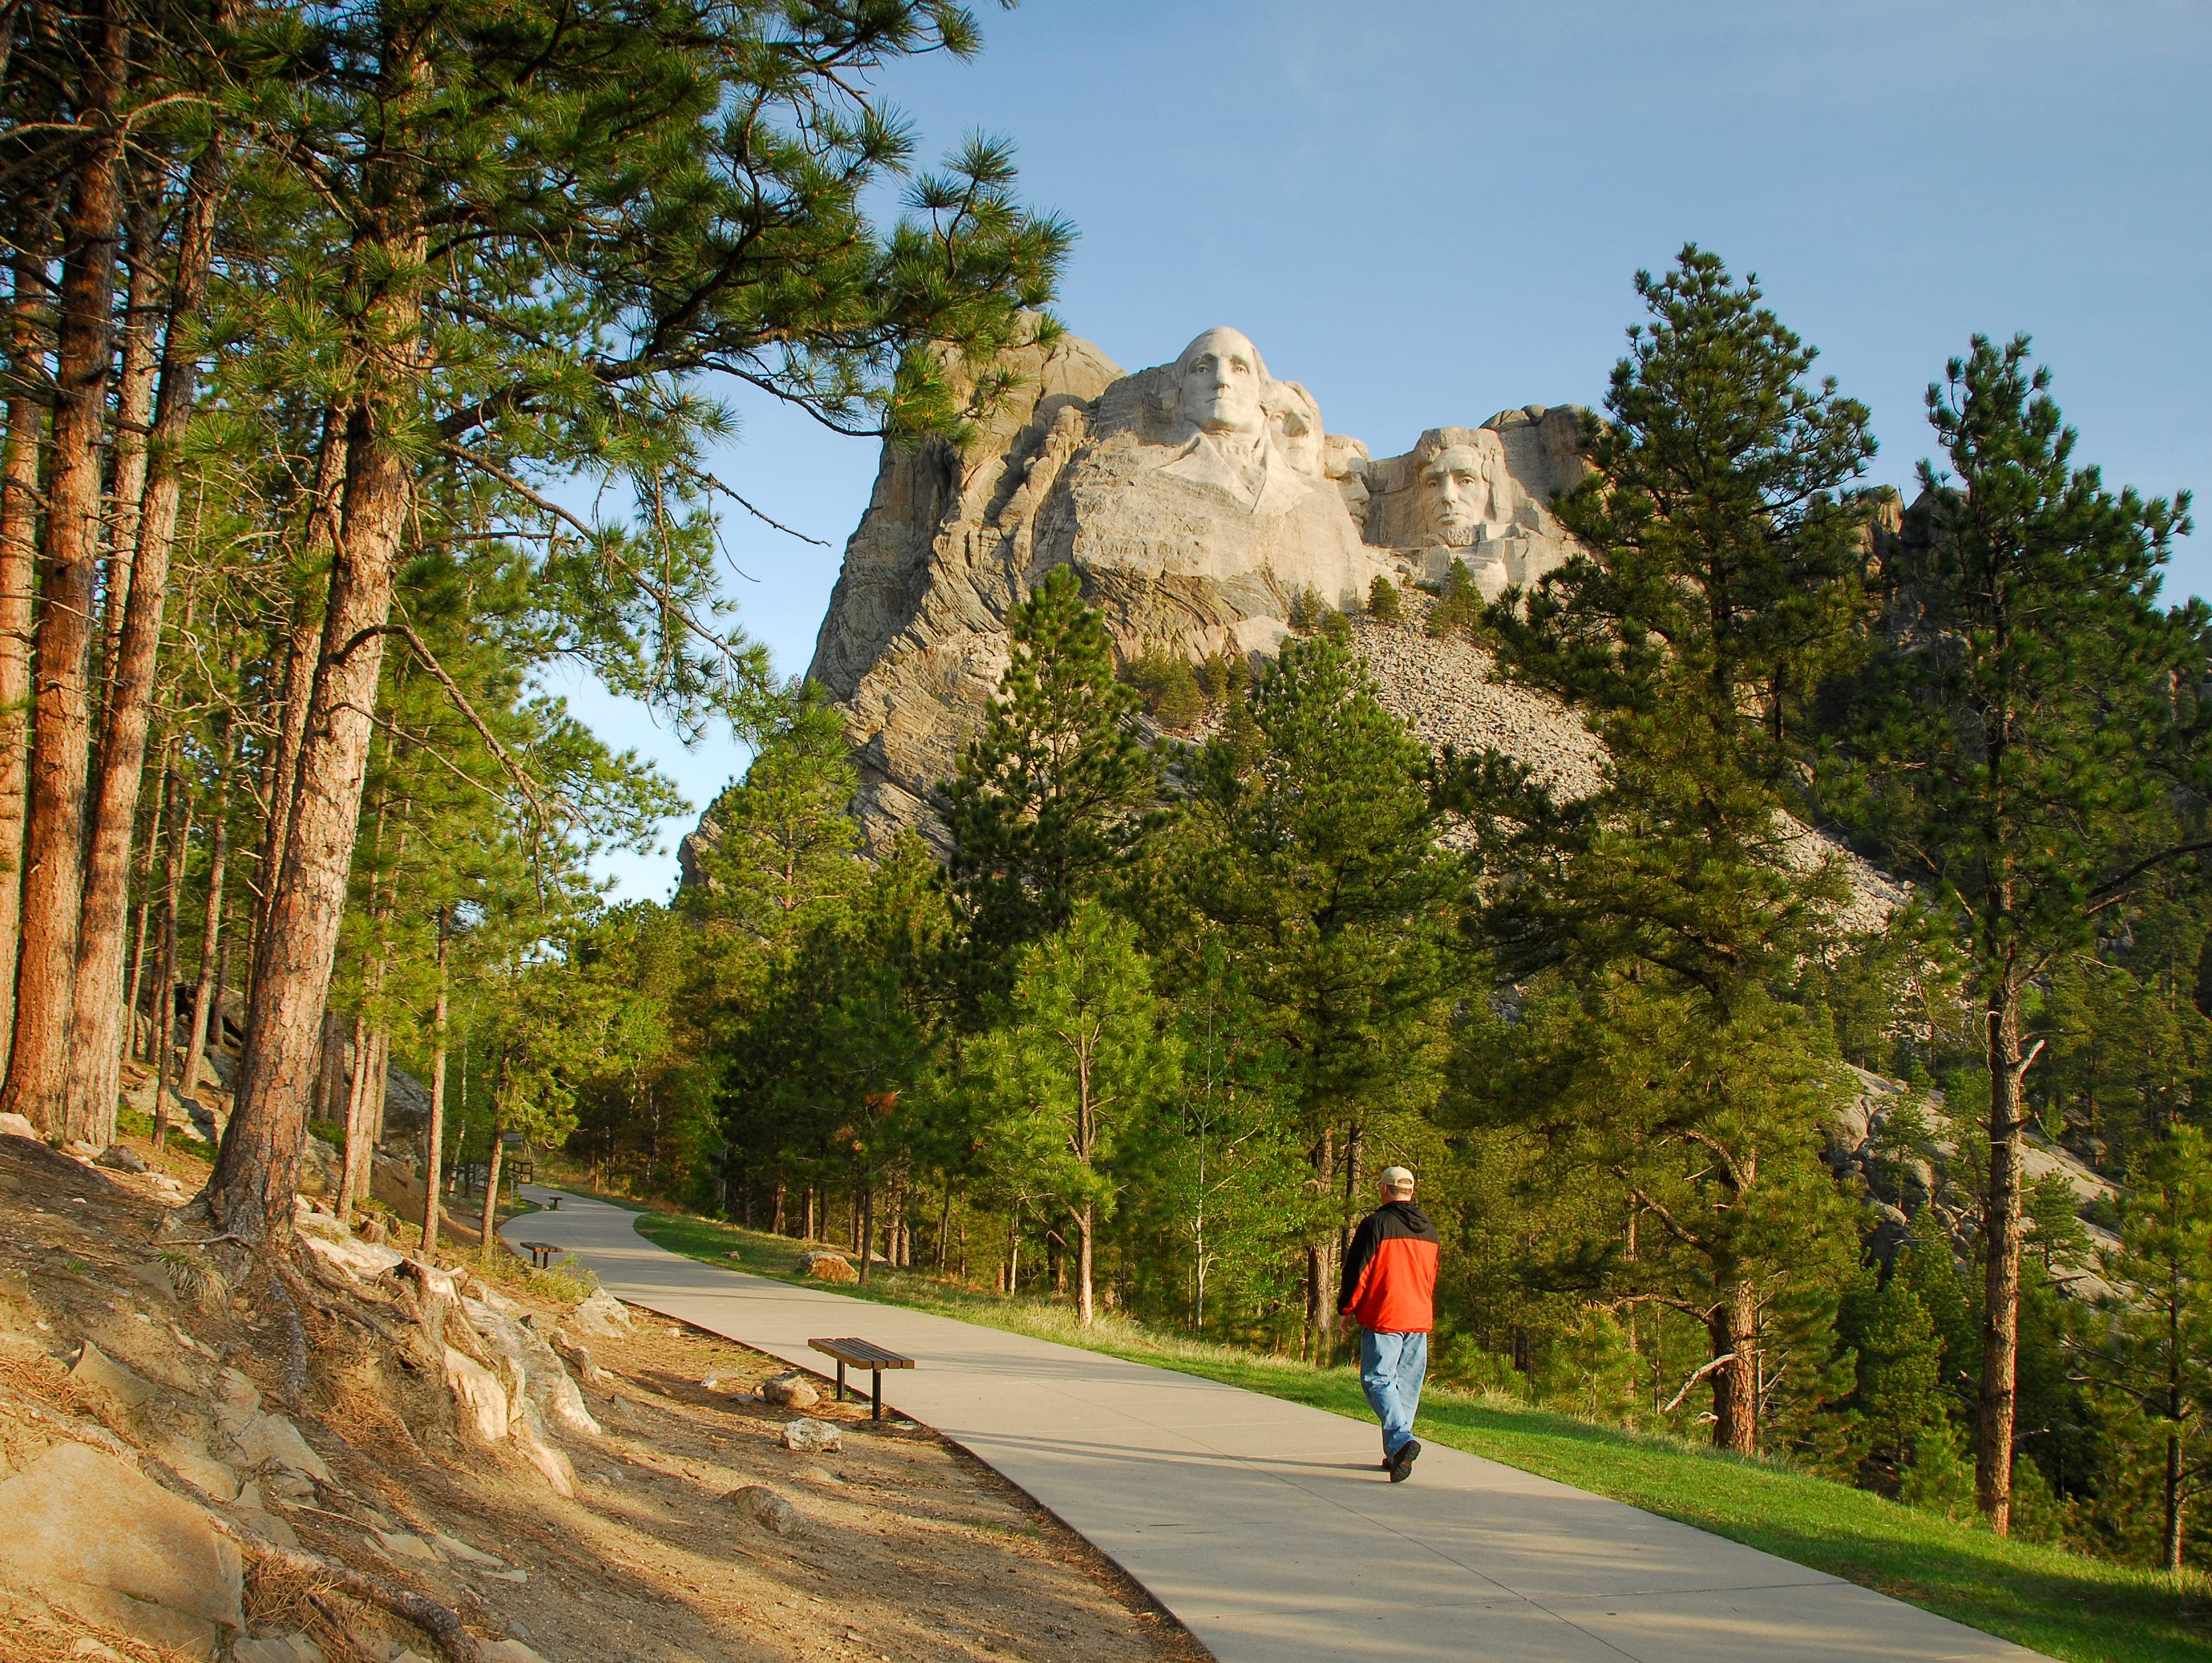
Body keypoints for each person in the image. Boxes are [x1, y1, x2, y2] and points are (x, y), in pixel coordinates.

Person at [1338, 1165, 1439, 1482]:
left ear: (1384, 1189)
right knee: (1406, 1386)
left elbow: (1359, 1272)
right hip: (1418, 1315)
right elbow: (1431, 1277)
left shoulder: (1375, 1225)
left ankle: (1400, 1441)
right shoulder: (1430, 1230)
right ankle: (1396, 1453)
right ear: (1411, 1191)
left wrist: (1346, 1308)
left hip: (1385, 1315)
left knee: (1378, 1380)